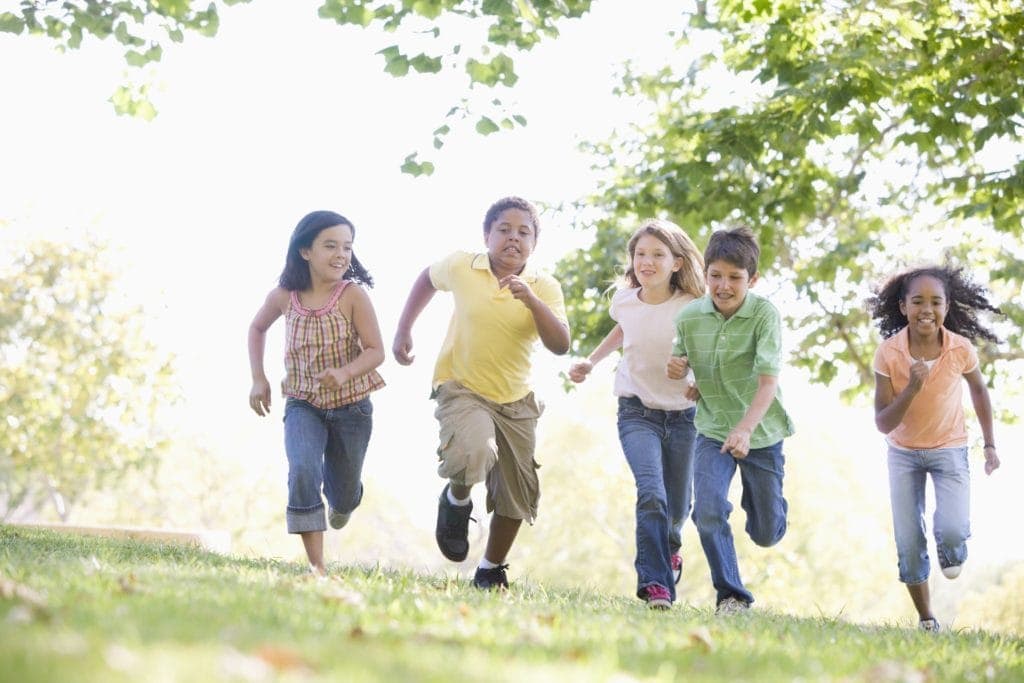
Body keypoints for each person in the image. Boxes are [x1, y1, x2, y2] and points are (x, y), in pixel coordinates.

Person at [392, 196, 570, 590]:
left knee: (518, 492)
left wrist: (532, 301)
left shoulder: (545, 286)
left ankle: (490, 569)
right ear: (486, 235)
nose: (513, 238)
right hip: (462, 387)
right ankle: (456, 500)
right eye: (504, 229)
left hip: (516, 400)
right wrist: (404, 329)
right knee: (473, 451)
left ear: (535, 243)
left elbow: (560, 344)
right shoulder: (462, 265)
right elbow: (426, 278)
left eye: (524, 232)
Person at [568, 219, 705, 609]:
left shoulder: (693, 306)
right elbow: (622, 330)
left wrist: (695, 376)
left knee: (678, 507)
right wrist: (591, 362)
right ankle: (655, 583)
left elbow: (708, 351)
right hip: (636, 411)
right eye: (640, 254)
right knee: (651, 495)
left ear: (677, 263)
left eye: (658, 255)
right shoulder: (625, 300)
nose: (647, 261)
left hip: (683, 417)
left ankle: (671, 545)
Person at [248, 210, 385, 576]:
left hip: (351, 408)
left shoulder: (352, 295)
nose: (341, 254)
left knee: (340, 496)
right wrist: (259, 378)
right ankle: (317, 566)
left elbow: (375, 351)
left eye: (347, 247)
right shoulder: (284, 296)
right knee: (303, 469)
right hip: (302, 404)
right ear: (305, 250)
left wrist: (344, 372)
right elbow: (257, 328)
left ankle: (347, 497)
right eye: (330, 246)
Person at [666, 226, 794, 615]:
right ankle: (732, 595)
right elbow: (686, 364)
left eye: (734, 278)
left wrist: (745, 429)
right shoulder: (689, 318)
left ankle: (766, 509)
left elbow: (768, 382)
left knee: (766, 533)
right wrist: (683, 375)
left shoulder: (763, 315)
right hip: (712, 429)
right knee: (706, 510)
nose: (723, 286)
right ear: (704, 274)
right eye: (715, 276)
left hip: (762, 433)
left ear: (751, 280)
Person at [870, 264, 1001, 632]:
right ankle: (927, 619)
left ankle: (951, 549)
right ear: (903, 308)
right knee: (909, 541)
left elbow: (978, 390)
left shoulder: (960, 349)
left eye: (935, 302)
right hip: (903, 453)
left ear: (946, 307)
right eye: (917, 301)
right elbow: (882, 423)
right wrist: (912, 387)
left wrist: (990, 444)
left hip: (950, 448)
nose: (926, 309)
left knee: (955, 533)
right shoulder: (889, 354)